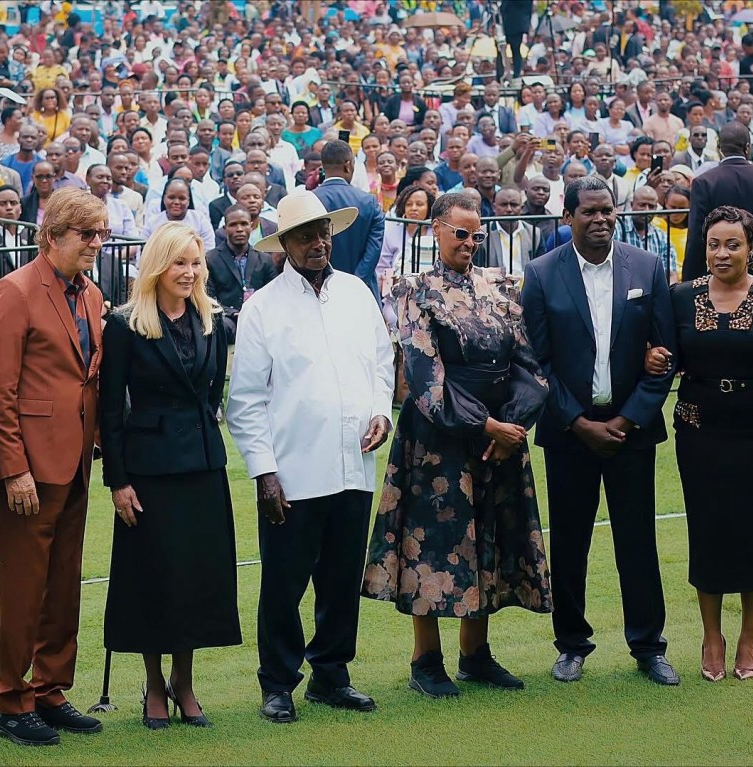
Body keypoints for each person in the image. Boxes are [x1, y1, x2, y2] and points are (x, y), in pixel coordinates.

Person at [363, 191, 551, 696]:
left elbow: (529, 365)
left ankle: (476, 655)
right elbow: (425, 377)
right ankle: (426, 660)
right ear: (437, 231)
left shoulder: (501, 285)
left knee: (488, 536)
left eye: (477, 235)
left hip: (500, 438)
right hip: (438, 437)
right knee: (431, 542)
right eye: (460, 233)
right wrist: (488, 427)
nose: (469, 242)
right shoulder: (413, 289)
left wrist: (513, 427)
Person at [227, 191, 394, 724]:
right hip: (292, 471)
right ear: (285, 245)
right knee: (283, 583)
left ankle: (331, 675)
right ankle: (277, 683)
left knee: (341, 580)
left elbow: (381, 362)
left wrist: (381, 411)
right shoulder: (263, 308)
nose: (319, 243)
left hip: (353, 464)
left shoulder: (356, 293)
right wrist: (264, 472)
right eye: (306, 236)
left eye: (324, 232)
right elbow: (245, 401)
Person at [521, 177, 680, 687]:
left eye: (607, 210)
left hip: (631, 429)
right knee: (570, 542)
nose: (600, 219)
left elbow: (665, 356)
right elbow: (536, 362)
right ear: (568, 217)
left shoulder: (647, 267)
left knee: (638, 540)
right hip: (570, 432)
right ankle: (572, 644)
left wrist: (627, 419)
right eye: (589, 212)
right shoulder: (541, 274)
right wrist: (578, 422)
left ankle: (648, 646)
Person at [646, 206, 753, 683]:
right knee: (707, 533)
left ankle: (750, 636)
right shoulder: (680, 298)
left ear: (752, 249)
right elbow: (662, 356)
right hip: (700, 436)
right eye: (713, 244)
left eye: (733, 244)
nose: (721, 253)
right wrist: (652, 359)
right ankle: (711, 636)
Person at [99, 222, 242, 730]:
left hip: (202, 467)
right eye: (179, 262)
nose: (189, 272)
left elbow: (212, 395)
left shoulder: (212, 319)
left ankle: (185, 683)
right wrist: (118, 481)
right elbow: (110, 410)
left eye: (196, 262)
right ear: (158, 266)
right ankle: (154, 684)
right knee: (154, 577)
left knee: (196, 577)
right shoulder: (124, 325)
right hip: (149, 471)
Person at [0, 187, 106, 745]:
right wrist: (14, 468)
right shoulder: (15, 290)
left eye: (100, 233)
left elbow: (87, 377)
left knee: (63, 585)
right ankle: (10, 701)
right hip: (29, 467)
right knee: (24, 586)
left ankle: (50, 691)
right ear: (52, 236)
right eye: (86, 234)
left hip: (76, 461)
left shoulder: (92, 294)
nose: (96, 243)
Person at [682, 122, 753, 285]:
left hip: (719, 277)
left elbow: (696, 238)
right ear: (747, 148)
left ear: (719, 148)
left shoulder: (705, 182)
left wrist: (689, 283)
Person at [313, 140, 385, 301]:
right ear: (348, 165)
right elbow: (373, 252)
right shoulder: (369, 202)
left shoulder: (310, 200)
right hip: (362, 291)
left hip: (320, 290)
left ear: (323, 166)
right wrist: (355, 283)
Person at [206, 205, 279, 342]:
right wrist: (233, 313)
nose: (239, 229)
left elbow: (274, 295)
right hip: (226, 320)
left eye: (244, 224)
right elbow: (208, 298)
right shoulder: (210, 259)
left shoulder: (265, 260)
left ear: (251, 226)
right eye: (233, 225)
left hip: (259, 318)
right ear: (225, 228)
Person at [142, 177, 216, 251]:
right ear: (164, 198)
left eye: (182, 198)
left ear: (188, 200)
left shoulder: (200, 220)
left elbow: (209, 250)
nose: (176, 202)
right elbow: (143, 251)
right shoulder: (152, 223)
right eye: (171, 197)